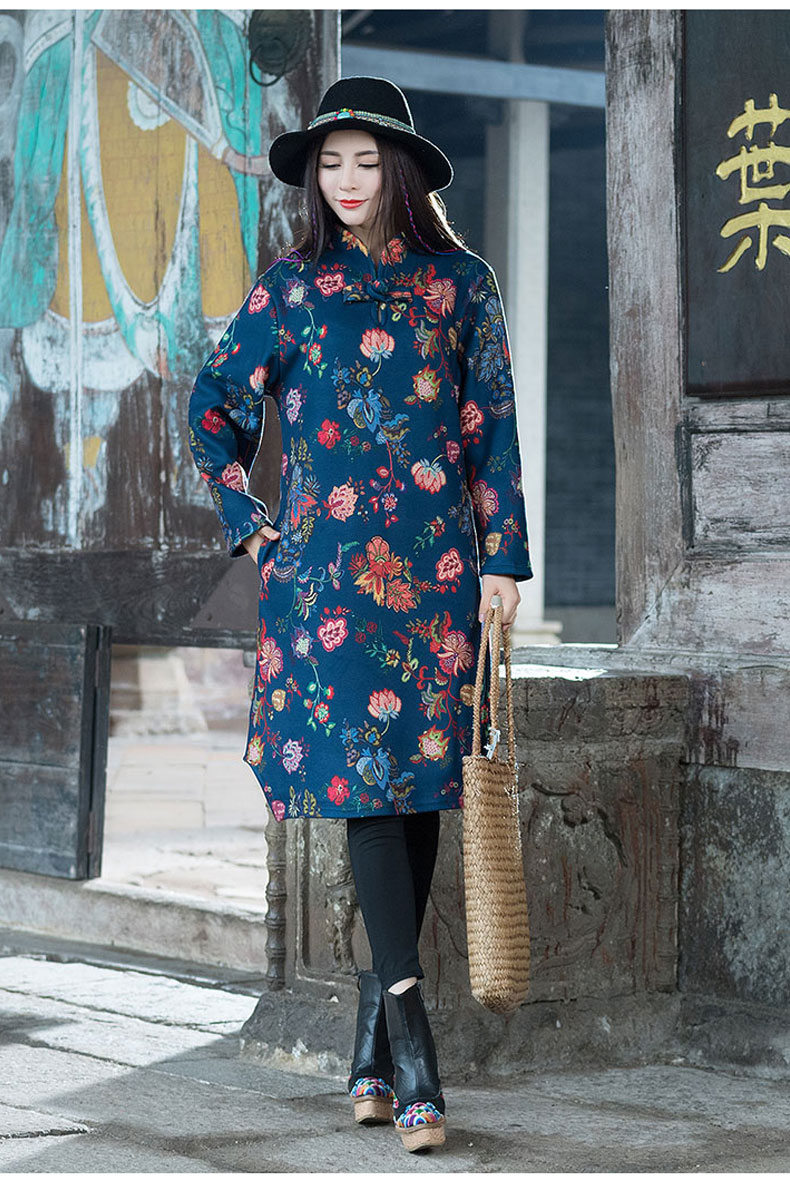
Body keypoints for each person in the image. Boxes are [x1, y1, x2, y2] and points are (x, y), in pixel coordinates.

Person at [187, 76, 533, 1153]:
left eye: (365, 162)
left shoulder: (460, 285)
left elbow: (492, 428)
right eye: (330, 162)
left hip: (437, 578)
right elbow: (212, 405)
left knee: (419, 790)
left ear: (401, 171)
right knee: (368, 792)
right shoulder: (291, 289)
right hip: (325, 586)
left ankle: (371, 1052)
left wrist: (504, 561)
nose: (345, 180)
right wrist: (253, 526)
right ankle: (416, 1042)